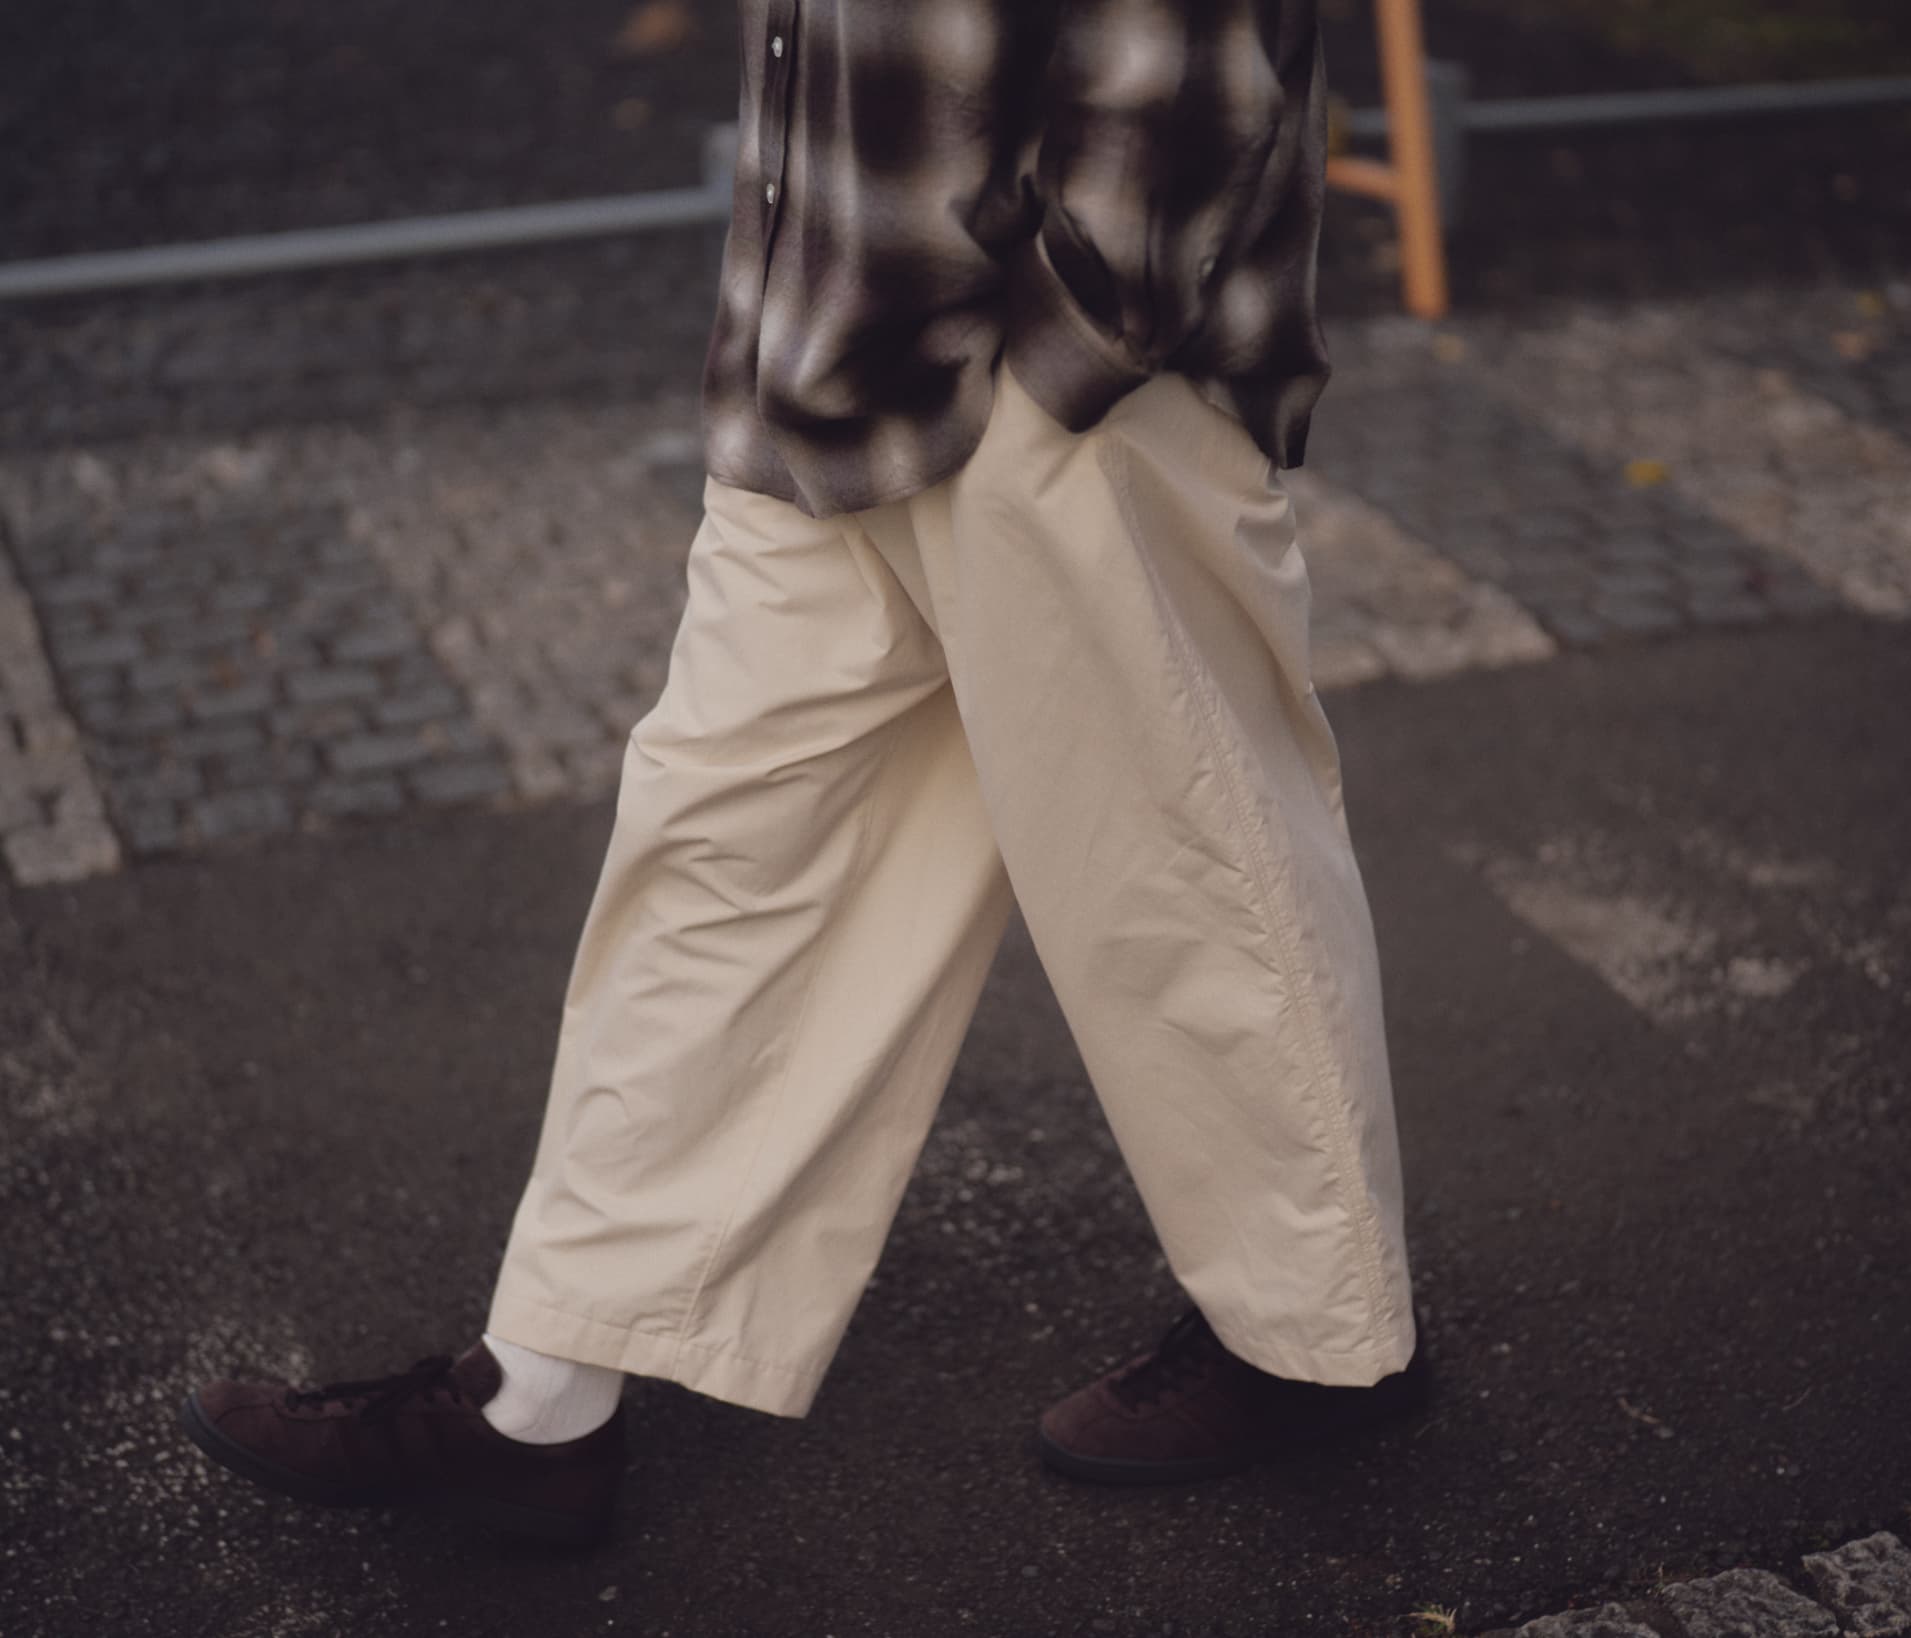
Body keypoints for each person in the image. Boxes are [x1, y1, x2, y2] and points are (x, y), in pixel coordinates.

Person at [180, 0, 1425, 1545]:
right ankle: (541, 1400)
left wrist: (1075, 341)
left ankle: (1321, 1337)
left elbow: (1183, 46)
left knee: (1184, 860)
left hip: (1072, 384)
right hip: (832, 341)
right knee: (717, 845)